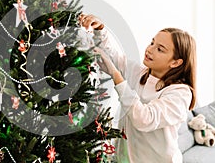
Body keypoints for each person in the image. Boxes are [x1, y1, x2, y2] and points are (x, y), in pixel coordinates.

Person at [78, 14, 197, 163]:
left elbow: (144, 119)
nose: (150, 49)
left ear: (175, 62)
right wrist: (100, 29)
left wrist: (116, 76)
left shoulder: (180, 93)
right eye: (152, 43)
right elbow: (114, 56)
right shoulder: (139, 73)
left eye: (160, 49)